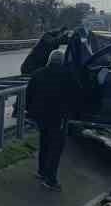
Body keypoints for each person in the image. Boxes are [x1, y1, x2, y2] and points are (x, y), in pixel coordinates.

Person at [25, 50, 78, 192]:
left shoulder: (37, 74)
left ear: (49, 60)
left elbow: (29, 95)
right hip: (58, 117)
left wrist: (30, 112)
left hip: (40, 116)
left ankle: (41, 171)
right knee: (56, 148)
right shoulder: (68, 75)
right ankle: (50, 178)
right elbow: (75, 95)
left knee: (45, 142)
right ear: (62, 61)